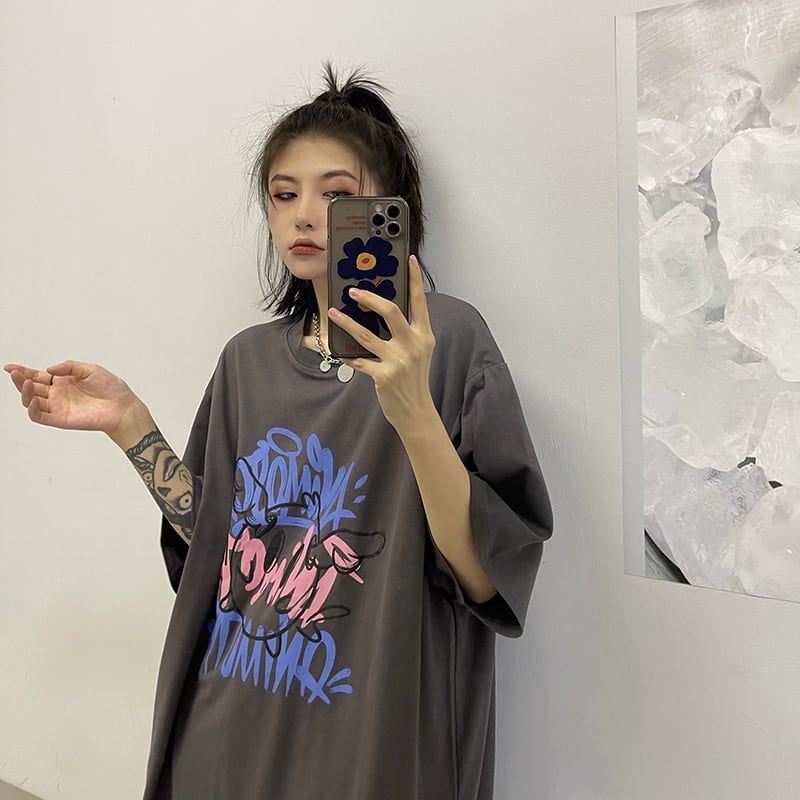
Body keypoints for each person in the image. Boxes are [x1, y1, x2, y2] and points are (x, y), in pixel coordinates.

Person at [5, 64, 553, 800]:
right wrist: (131, 426)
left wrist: (414, 410)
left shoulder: (450, 343)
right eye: (284, 194)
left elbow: (487, 577)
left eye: (336, 194)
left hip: (372, 745)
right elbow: (219, 552)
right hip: (228, 728)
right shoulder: (248, 361)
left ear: (389, 210)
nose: (304, 215)